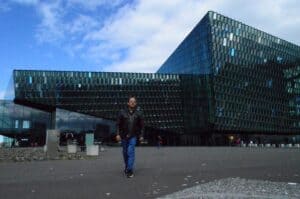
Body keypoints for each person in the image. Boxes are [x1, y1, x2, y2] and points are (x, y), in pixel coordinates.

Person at [115, 95, 144, 178]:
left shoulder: (139, 113)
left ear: (136, 103)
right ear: (128, 103)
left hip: (133, 136)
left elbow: (142, 126)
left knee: (130, 151)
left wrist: (141, 135)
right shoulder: (122, 112)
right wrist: (117, 134)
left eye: (134, 102)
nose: (132, 103)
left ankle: (130, 170)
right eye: (131, 101)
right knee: (125, 152)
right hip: (124, 136)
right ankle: (127, 166)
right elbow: (117, 124)